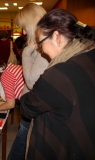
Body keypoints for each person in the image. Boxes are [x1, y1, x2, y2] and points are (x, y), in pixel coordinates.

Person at [20, 9, 95, 159]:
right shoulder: (90, 54)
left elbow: (26, 107)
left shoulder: (59, 74)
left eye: (41, 44)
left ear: (56, 37)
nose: (42, 51)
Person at [7, 3, 49, 160]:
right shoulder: (39, 45)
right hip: (33, 111)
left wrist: (26, 53)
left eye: (25, 27)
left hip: (36, 113)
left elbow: (31, 81)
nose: (23, 32)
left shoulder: (43, 47)